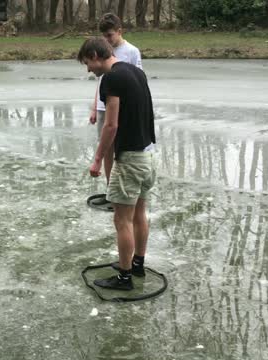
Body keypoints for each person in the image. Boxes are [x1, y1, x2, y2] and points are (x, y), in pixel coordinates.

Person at [78, 38, 156, 290]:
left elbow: (111, 125)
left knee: (122, 220)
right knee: (139, 214)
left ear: (95, 55)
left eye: (88, 63)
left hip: (130, 159)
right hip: (149, 155)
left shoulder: (111, 78)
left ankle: (124, 278)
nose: (89, 69)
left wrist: (98, 159)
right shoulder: (135, 72)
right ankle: (137, 264)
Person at [89, 13, 143, 207]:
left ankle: (122, 192)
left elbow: (138, 80)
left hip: (122, 108)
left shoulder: (131, 52)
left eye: (110, 35)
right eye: (104, 36)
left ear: (120, 31)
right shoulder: (103, 50)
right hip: (104, 106)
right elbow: (101, 80)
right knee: (106, 149)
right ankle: (111, 192)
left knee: (121, 149)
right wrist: (95, 107)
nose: (107, 40)